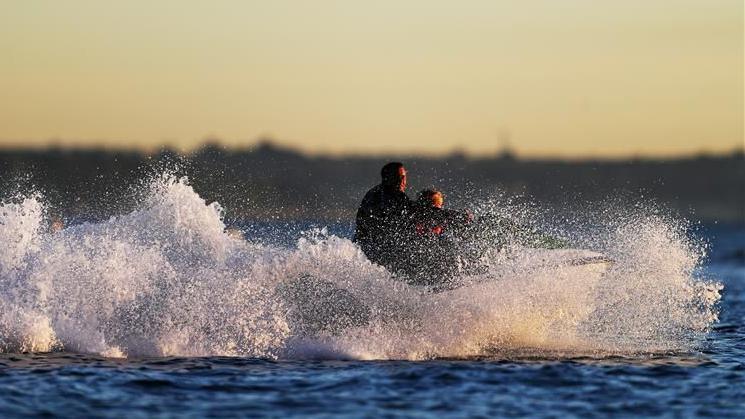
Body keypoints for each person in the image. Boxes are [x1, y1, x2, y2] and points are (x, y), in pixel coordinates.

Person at [354, 162, 417, 273]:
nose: (402, 181)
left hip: (363, 247)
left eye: (403, 177)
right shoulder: (394, 196)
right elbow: (414, 215)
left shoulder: (373, 192)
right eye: (398, 177)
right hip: (376, 249)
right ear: (387, 178)